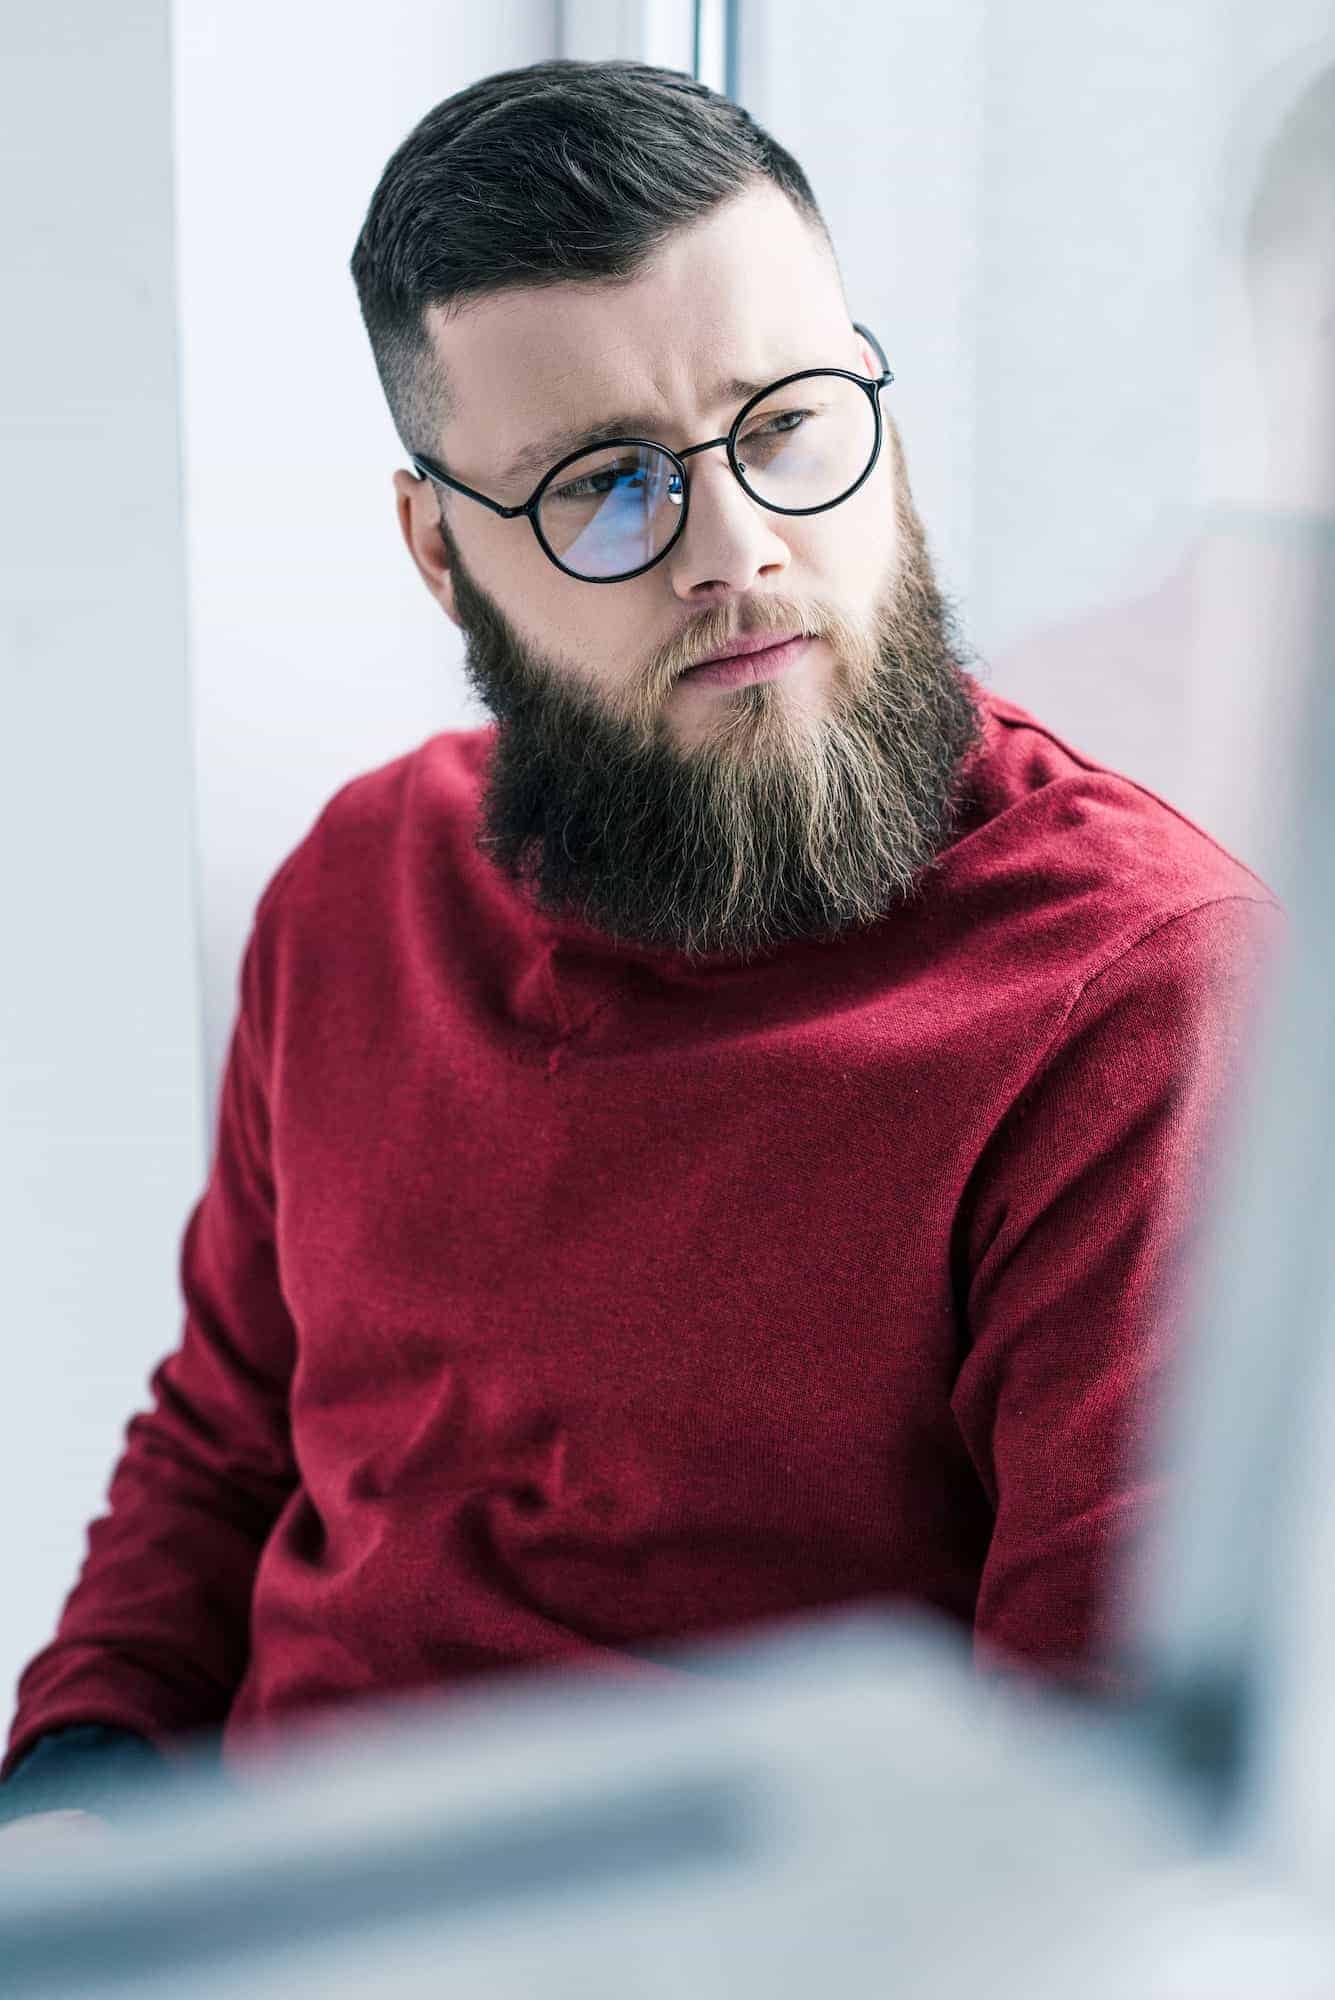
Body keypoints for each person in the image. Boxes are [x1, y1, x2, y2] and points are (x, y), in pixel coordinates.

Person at [0, 57, 1287, 1839]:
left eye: (787, 427)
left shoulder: (1145, 1003)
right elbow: (223, 1444)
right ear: (441, 556)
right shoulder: (357, 885)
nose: (738, 551)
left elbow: (1090, 1814)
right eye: (607, 486)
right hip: (266, 1898)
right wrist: (67, 1810)